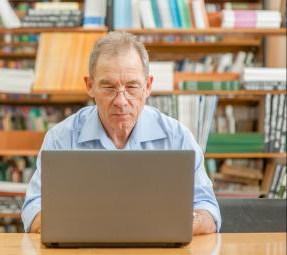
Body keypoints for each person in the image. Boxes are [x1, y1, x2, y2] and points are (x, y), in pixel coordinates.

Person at [21, 31, 221, 235]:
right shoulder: (60, 139)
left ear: (148, 86)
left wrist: (176, 222)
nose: (121, 100)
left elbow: (209, 212)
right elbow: (33, 210)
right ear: (90, 86)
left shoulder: (178, 137)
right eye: (108, 87)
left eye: (132, 86)